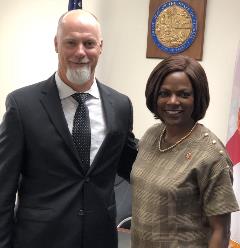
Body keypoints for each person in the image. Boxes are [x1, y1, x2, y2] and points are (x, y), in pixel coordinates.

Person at [0, 9, 137, 248]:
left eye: (89, 43)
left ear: (101, 47)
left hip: (100, 239)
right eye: (71, 43)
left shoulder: (121, 105)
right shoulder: (22, 106)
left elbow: (134, 167)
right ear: (56, 44)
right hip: (39, 240)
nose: (80, 52)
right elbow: (3, 187)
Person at [130, 55, 239, 248]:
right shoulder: (151, 136)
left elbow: (220, 231)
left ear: (197, 98)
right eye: (164, 93)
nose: (173, 101)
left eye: (183, 94)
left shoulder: (211, 155)